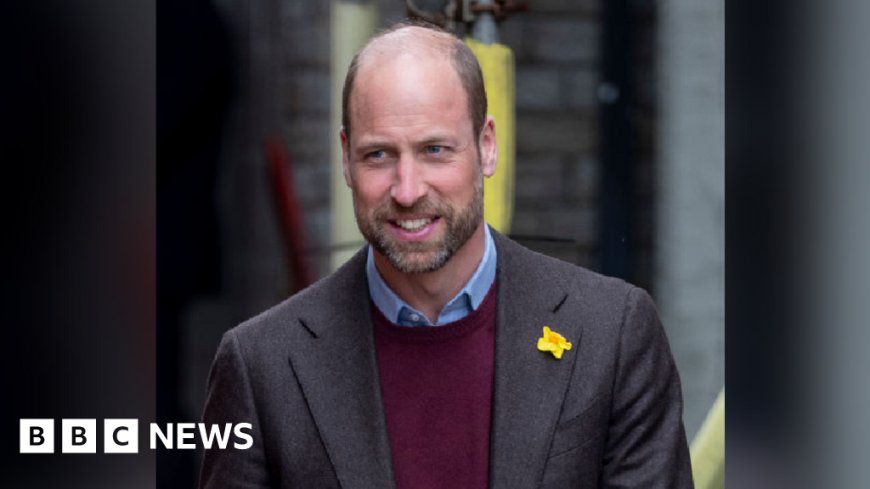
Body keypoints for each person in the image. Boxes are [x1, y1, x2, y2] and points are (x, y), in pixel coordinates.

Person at [200, 21, 693, 489]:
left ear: (487, 146)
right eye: (379, 155)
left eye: (435, 149)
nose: (409, 190)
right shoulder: (261, 364)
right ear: (346, 158)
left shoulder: (612, 335)